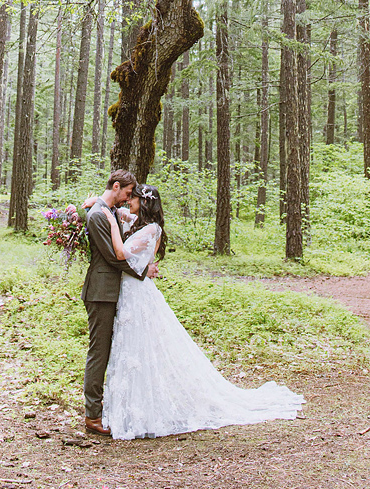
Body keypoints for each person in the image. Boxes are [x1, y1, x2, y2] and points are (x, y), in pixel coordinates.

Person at [99, 185, 305, 440]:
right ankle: (133, 407)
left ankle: (144, 411)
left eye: (134, 198)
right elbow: (125, 215)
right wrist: (103, 207)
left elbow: (120, 253)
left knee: (141, 349)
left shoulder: (150, 230)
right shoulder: (145, 224)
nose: (129, 202)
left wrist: (109, 221)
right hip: (132, 292)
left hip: (137, 294)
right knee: (133, 350)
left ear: (145, 203)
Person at [81, 170, 152, 436]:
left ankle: (105, 409)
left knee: (110, 350)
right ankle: (92, 415)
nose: (127, 198)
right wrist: (144, 271)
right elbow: (112, 257)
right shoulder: (98, 215)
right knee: (98, 352)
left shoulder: (107, 211)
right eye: (126, 193)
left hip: (112, 291)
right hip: (100, 292)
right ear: (117, 186)